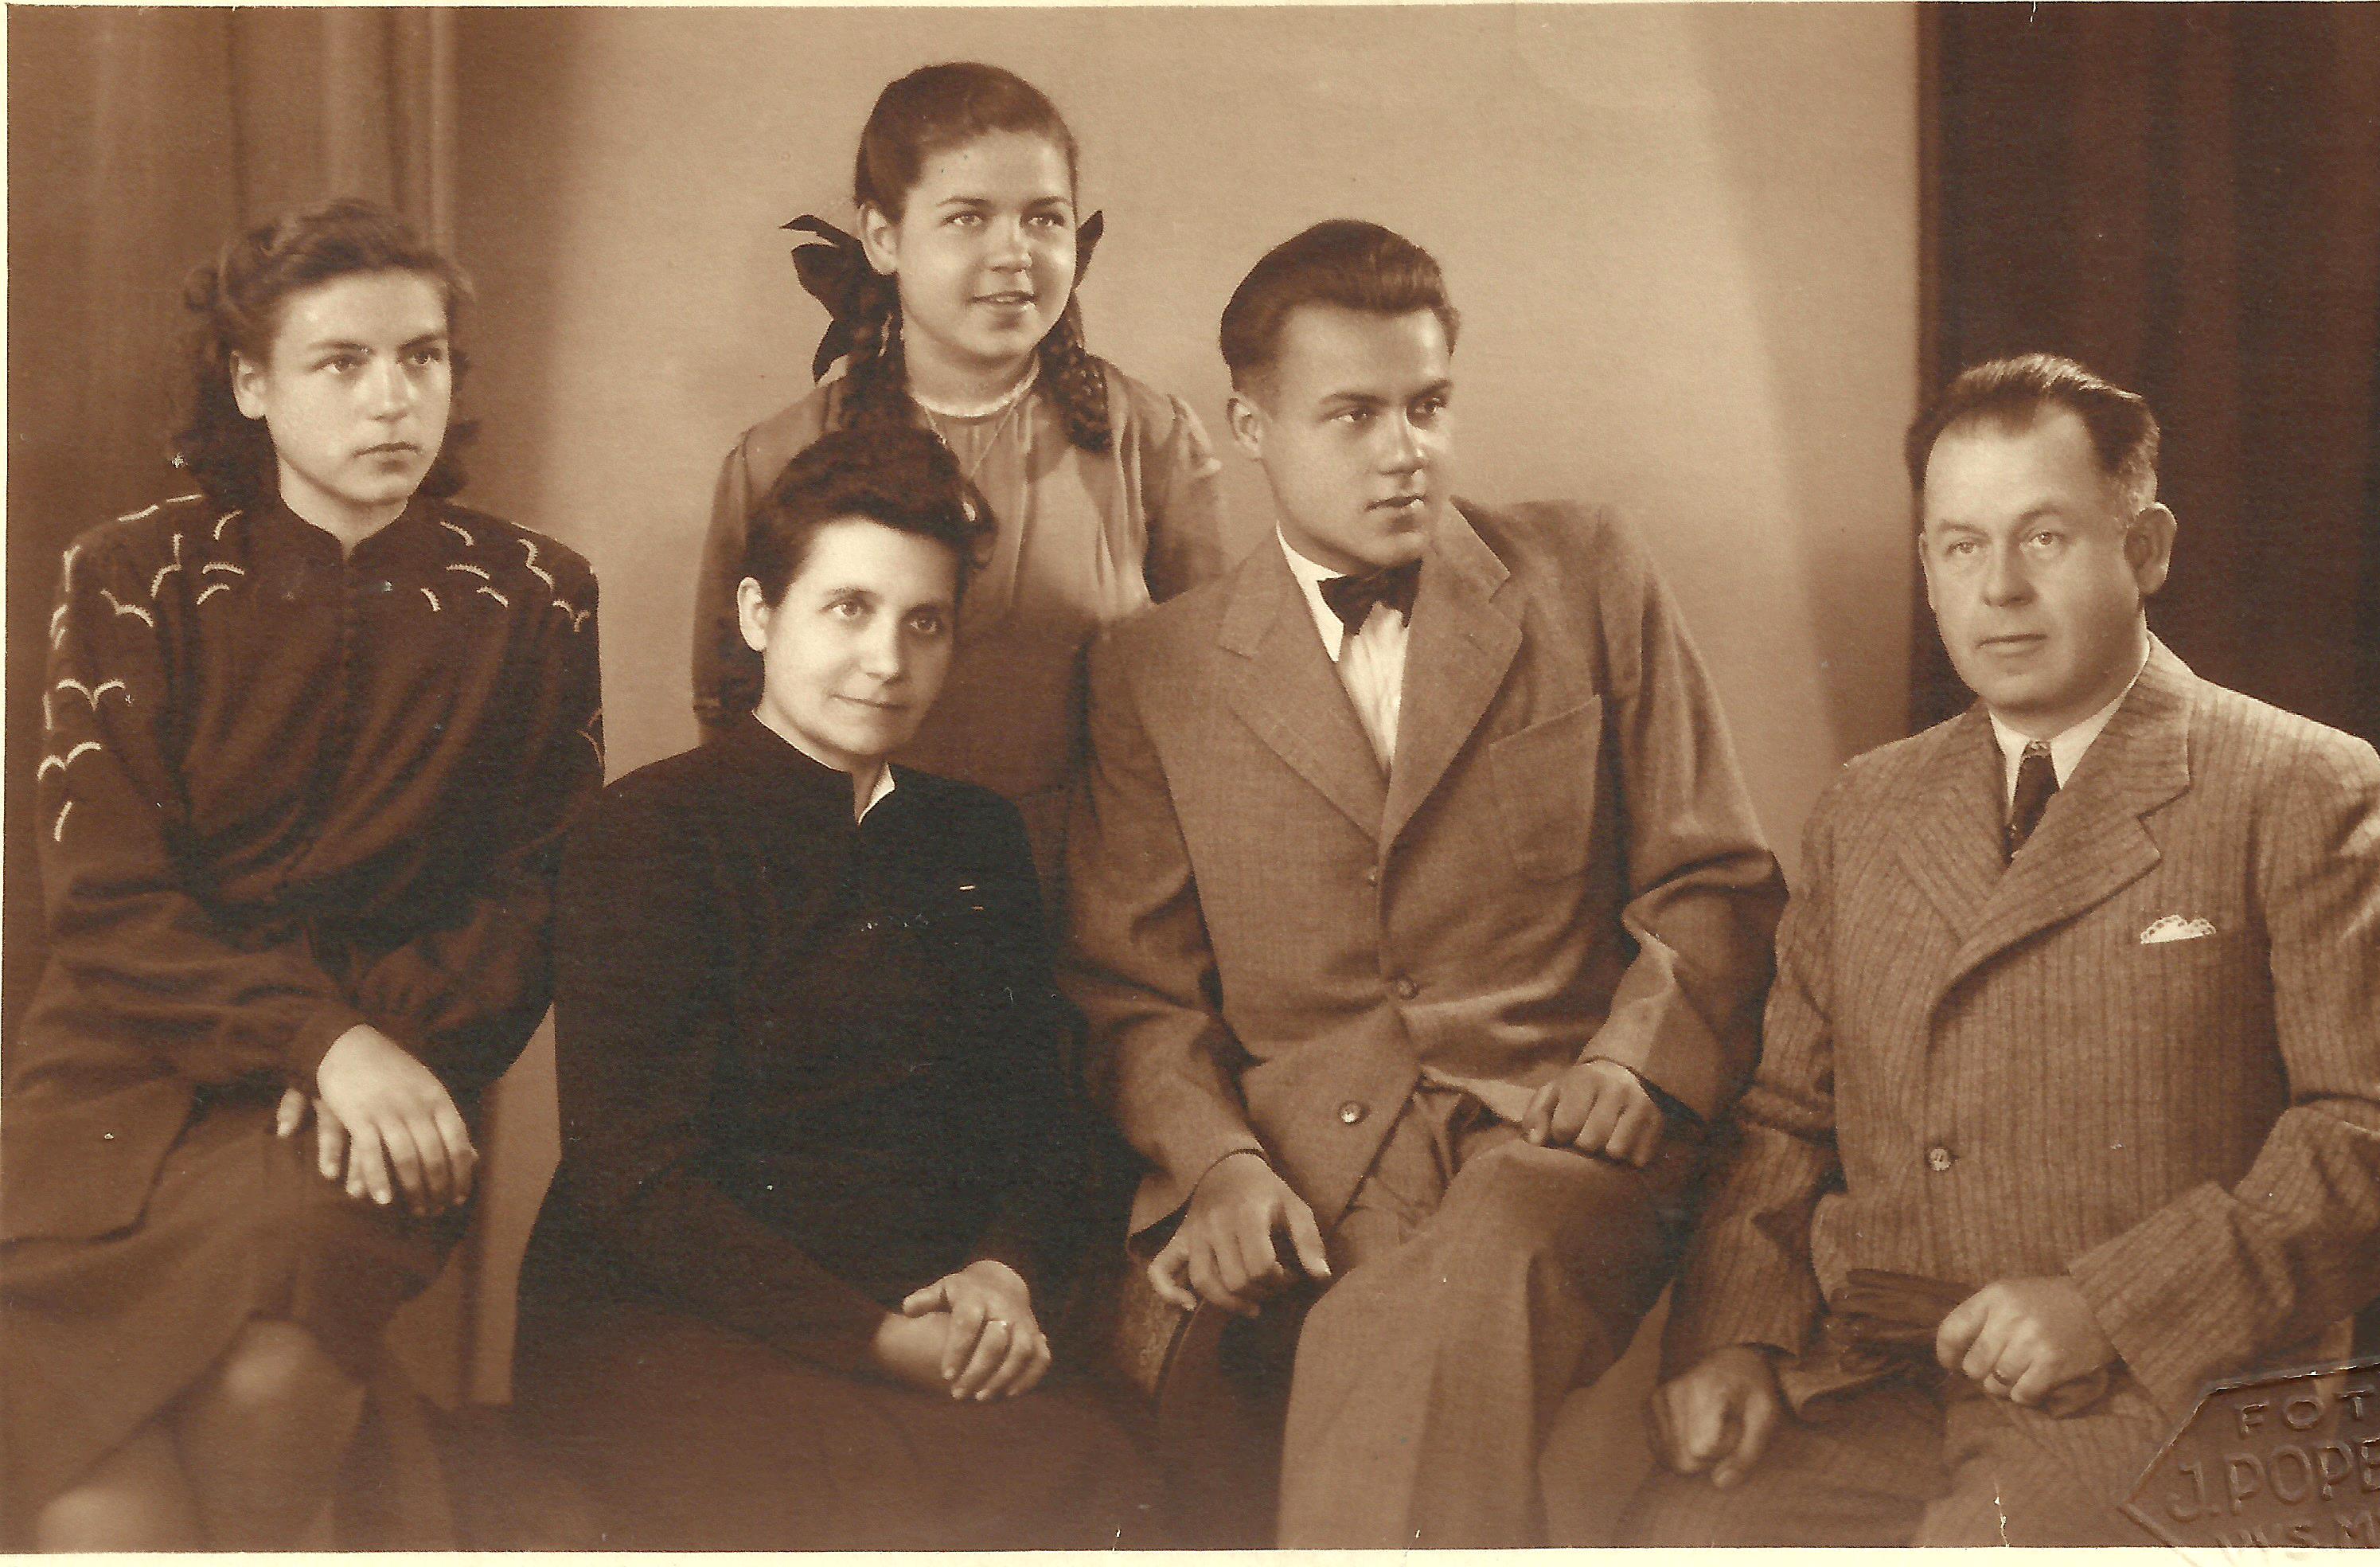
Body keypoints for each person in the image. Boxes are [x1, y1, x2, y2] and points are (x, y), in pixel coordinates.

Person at [1614, 354, 2380, 1546]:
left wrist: (2108, 1306)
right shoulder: (1867, 807)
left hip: (2173, 1388)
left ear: (2147, 549)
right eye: (1961, 547)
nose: (2000, 588)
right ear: (1927, 570)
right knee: (1668, 1542)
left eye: (2045, 539)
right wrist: (1731, 1338)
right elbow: (1787, 1119)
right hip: (1876, 1373)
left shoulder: (2297, 783)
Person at [1060, 219, 1786, 1547]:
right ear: (1251, 426)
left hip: (1563, 1140)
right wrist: (1219, 1165)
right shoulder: (1153, 673)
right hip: (1310, 1167)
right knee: (1287, 1367)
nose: (1406, 450)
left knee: (1446, 1290)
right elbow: (1136, 996)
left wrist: (1634, 1062)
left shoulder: (1589, 572)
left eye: (1429, 406)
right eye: (1353, 414)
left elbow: (1716, 880)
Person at [0, 197, 603, 1549]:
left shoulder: (535, 598)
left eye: (422, 357)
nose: (393, 397)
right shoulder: (130, 577)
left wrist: (376, 1050)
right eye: (342, 361)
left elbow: (532, 900)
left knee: (267, 1390)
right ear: (251, 382)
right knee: (104, 1517)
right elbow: (104, 898)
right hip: (114, 1082)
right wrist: (315, 1040)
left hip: (381, 1089)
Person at [518, 427, 1154, 1550]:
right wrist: (874, 1341)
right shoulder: (650, 828)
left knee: (1103, 1476)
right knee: (867, 1501)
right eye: (849, 609)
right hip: (671, 1321)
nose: (887, 660)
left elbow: (1037, 1123)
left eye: (925, 622)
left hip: (921, 1301)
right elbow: (634, 1177)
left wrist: (1001, 1275)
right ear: (760, 615)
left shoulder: (974, 835)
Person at [691, 61, 1226, 905]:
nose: (1015, 254)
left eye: (1044, 217)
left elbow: (1213, 705)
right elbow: (729, 709)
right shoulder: (779, 457)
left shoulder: (1146, 439)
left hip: (1094, 902)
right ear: (883, 237)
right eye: (968, 217)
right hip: (853, 899)